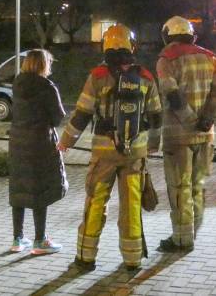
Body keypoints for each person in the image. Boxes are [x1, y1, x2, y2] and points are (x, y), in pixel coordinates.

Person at [57, 24, 162, 272]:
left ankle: (85, 257)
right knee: (131, 206)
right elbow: (156, 116)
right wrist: (153, 145)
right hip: (135, 154)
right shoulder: (146, 77)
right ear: (131, 46)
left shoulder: (98, 75)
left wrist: (65, 142)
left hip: (104, 154)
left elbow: (82, 113)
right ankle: (132, 259)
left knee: (95, 202)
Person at [157, 16, 216, 252]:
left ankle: (181, 238)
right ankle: (194, 231)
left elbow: (171, 93)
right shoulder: (210, 58)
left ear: (168, 35)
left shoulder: (166, 59)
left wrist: (190, 120)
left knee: (179, 187)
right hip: (205, 136)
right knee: (198, 185)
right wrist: (206, 121)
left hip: (178, 136)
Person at [8, 49, 67, 254]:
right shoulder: (47, 87)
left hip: (17, 141)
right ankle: (40, 240)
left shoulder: (17, 84)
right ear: (43, 64)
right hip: (40, 141)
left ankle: (17, 239)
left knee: (19, 188)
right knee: (39, 189)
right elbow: (58, 117)